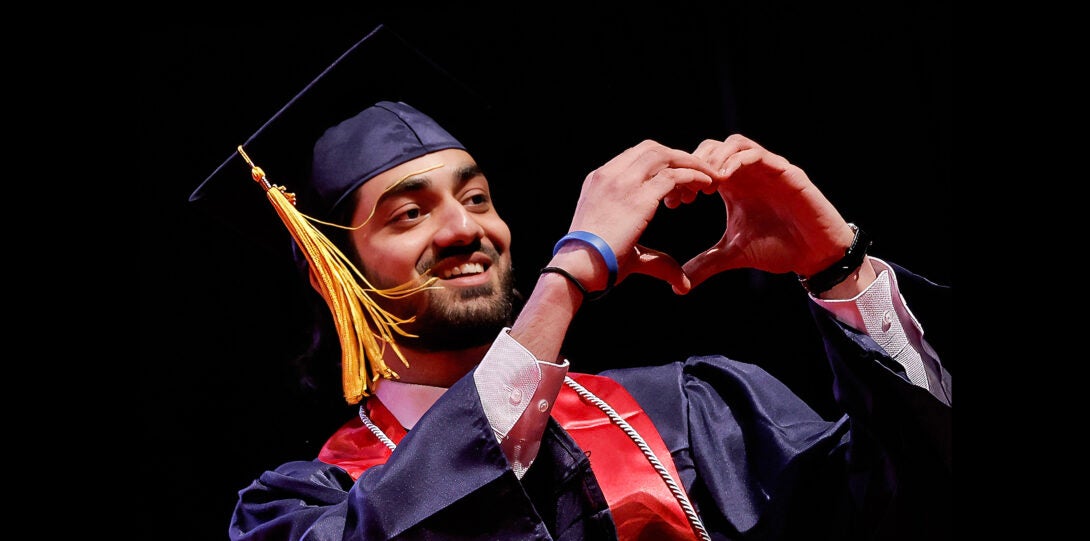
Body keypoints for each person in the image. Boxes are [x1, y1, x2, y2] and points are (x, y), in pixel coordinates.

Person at [191, 27, 950, 541]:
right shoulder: (301, 508)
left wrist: (841, 271)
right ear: (336, 275)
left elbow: (911, 495)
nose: (465, 228)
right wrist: (566, 278)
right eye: (410, 213)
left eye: (479, 197)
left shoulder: (695, 408)